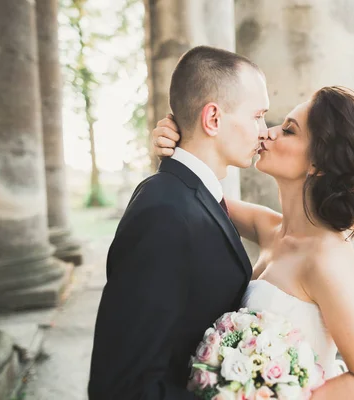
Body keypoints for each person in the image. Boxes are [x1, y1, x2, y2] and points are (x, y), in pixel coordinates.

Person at [153, 86, 354, 399]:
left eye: (289, 131)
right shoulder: (269, 227)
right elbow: (198, 192)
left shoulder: (326, 256)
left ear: (317, 164)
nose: (267, 134)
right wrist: (175, 142)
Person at [88, 46, 270, 399]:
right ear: (213, 119)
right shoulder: (163, 213)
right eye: (257, 116)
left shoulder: (194, 194)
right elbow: (123, 385)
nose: (263, 131)